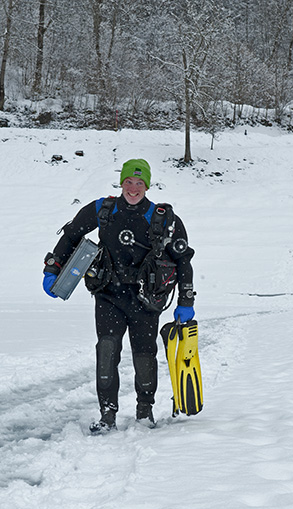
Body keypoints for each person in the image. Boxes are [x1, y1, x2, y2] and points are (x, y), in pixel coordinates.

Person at [42, 159, 195, 433]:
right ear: (121, 182)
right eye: (128, 182)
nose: (133, 188)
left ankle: (144, 410)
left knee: (145, 355)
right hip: (109, 295)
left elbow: (183, 260)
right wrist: (53, 268)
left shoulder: (163, 218)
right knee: (107, 350)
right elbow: (72, 234)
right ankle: (107, 414)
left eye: (139, 183)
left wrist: (186, 302)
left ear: (147, 186)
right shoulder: (104, 209)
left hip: (145, 300)